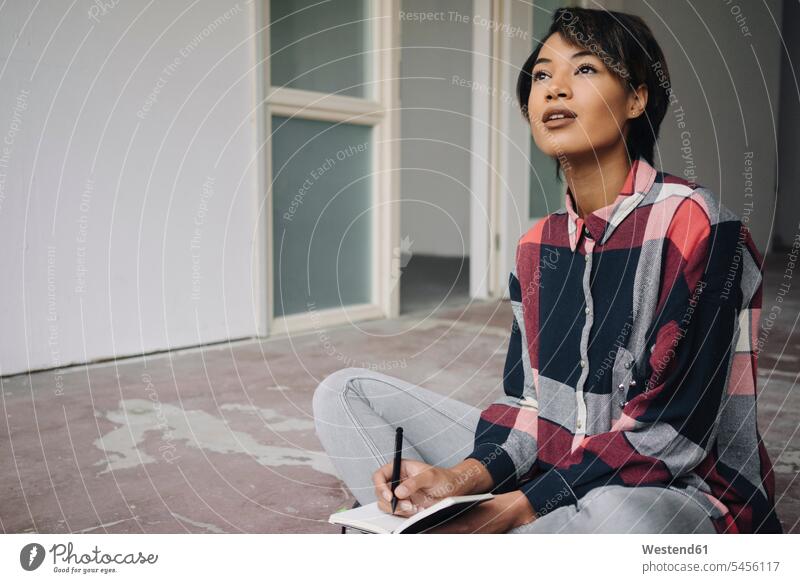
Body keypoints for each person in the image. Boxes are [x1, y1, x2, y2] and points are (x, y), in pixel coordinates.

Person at [312, 6, 782, 534]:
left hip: (669, 490)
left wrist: (512, 506)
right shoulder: (537, 246)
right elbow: (528, 405)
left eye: (584, 69)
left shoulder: (696, 223)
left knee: (619, 521)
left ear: (636, 98)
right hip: (553, 467)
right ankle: (453, 532)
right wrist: (459, 481)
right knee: (343, 394)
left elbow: (672, 434)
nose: (555, 88)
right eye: (541, 75)